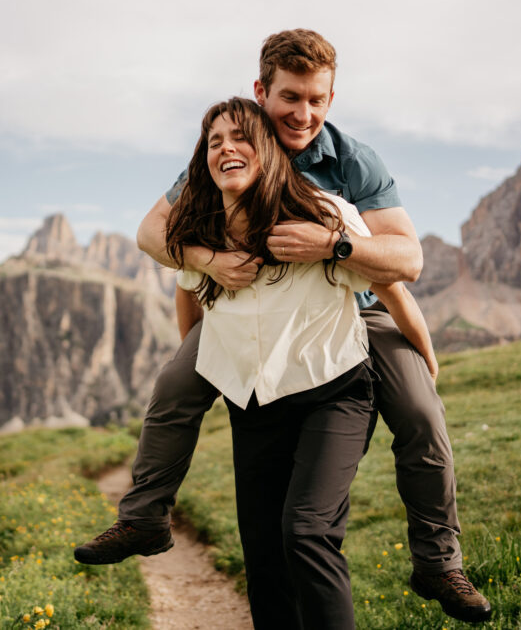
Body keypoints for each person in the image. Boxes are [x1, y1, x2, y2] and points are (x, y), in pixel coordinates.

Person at [75, 29, 491, 624]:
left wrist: (333, 246)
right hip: (248, 312)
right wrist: (207, 263)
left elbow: (406, 265)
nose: (305, 114)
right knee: (173, 386)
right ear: (260, 93)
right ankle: (143, 518)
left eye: (319, 100)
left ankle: (437, 562)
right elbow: (157, 237)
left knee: (422, 415)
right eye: (291, 97)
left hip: (360, 306)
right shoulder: (234, 143)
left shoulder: (349, 163)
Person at [168, 96, 401, 628]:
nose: (225, 149)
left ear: (268, 150)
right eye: (214, 142)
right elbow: (186, 290)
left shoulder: (325, 212)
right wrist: (211, 362)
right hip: (254, 402)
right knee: (265, 555)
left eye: (240, 138)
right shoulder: (200, 230)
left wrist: (424, 354)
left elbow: (395, 280)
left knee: (307, 530)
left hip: (335, 392)